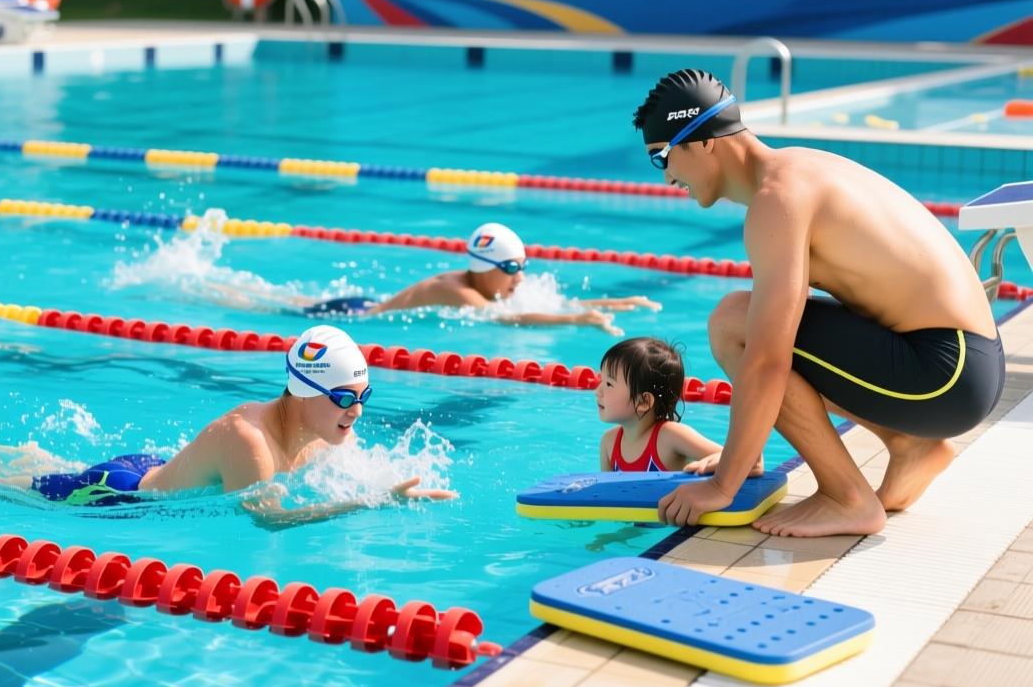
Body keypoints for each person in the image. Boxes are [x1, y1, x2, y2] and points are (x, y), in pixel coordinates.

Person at [634, 69, 1003, 537]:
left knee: (732, 322)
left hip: (947, 375)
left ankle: (846, 497)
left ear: (704, 141)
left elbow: (769, 359)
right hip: (967, 363)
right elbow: (796, 339)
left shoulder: (777, 200)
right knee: (753, 322)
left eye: (662, 157)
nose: (667, 175)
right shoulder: (796, 168)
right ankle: (910, 445)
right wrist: (742, 455)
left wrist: (723, 486)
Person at [18, 325, 457, 522]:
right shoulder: (251, 443)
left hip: (155, 468)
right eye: (344, 398)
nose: (357, 411)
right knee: (8, 484)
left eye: (363, 396)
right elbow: (271, 520)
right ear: (305, 391)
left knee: (40, 465)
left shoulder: (329, 430)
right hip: (117, 495)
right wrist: (368, 503)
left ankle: (21, 457)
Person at [309, 222, 660, 336]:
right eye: (510, 268)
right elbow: (507, 319)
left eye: (523, 266)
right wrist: (575, 321)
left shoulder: (488, 284)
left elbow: (549, 303)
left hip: (364, 303)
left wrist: (614, 303)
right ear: (485, 268)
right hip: (352, 314)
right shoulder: (460, 293)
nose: (520, 277)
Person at [596, 337, 763, 476]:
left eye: (609, 384)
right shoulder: (609, 443)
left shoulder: (669, 436)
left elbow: (748, 460)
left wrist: (710, 464)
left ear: (643, 402)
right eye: (600, 380)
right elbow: (603, 496)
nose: (597, 391)